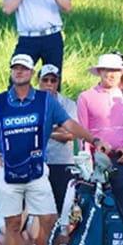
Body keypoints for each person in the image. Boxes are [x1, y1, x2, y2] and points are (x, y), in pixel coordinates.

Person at [0, 54, 104, 245]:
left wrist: (94, 140)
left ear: (31, 73)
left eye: (24, 68)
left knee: (50, 221)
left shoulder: (45, 101)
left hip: (37, 170)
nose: (19, 71)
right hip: (7, 170)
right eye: (15, 68)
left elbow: (69, 124)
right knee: (12, 224)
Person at [76, 53, 123, 239]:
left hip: (119, 157)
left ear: (121, 73)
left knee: (119, 199)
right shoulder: (86, 97)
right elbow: (82, 130)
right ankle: (95, 239)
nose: (111, 74)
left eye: (115, 71)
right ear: (100, 72)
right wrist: (88, 160)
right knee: (94, 199)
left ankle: (117, 239)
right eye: (107, 70)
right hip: (96, 159)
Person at [39, 65, 79, 215]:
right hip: (36, 162)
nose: (49, 84)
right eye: (45, 80)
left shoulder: (69, 105)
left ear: (58, 82)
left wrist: (43, 130)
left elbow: (70, 135)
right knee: (38, 208)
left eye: (53, 80)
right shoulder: (30, 103)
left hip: (62, 162)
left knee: (63, 206)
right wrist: (57, 128)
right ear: (39, 81)